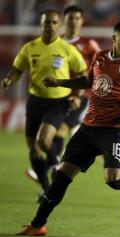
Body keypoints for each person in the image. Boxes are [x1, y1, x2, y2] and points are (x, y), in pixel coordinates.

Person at [16, 20, 120, 236]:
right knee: (61, 178)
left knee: (113, 180)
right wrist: (60, 82)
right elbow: (89, 81)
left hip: (113, 130)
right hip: (87, 129)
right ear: (114, 38)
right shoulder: (99, 57)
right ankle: (37, 225)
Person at [0, 10, 87, 198]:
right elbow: (17, 69)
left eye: (54, 23)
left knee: (43, 140)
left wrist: (77, 96)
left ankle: (56, 164)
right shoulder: (30, 47)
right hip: (35, 101)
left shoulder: (67, 49)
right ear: (41, 25)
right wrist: (9, 80)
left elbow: (82, 73)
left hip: (58, 101)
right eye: (46, 22)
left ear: (58, 25)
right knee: (33, 149)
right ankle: (47, 187)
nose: (50, 26)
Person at [25, 5, 101, 186]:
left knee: (60, 131)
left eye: (77, 18)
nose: (73, 21)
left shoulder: (89, 45)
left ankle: (53, 169)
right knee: (42, 141)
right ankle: (52, 170)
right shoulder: (54, 44)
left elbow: (99, 69)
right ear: (63, 21)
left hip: (80, 96)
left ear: (82, 21)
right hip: (54, 97)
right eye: (70, 18)